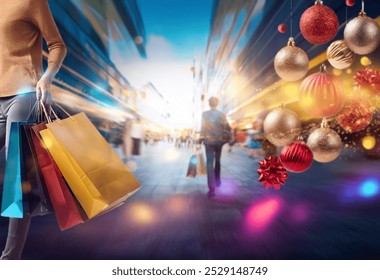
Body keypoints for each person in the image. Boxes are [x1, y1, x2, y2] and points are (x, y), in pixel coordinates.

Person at [0, 0, 67, 259]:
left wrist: (47, 77)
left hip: (25, 93)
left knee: (17, 175)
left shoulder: (32, 1)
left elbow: (58, 45)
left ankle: (9, 261)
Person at [200, 97, 231, 198]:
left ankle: (211, 188)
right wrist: (228, 139)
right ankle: (217, 181)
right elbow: (227, 127)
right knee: (217, 161)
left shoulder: (204, 114)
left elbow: (203, 128)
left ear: (209, 104)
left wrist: (199, 140)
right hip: (219, 141)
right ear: (217, 104)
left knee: (209, 163)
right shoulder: (222, 114)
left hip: (208, 141)